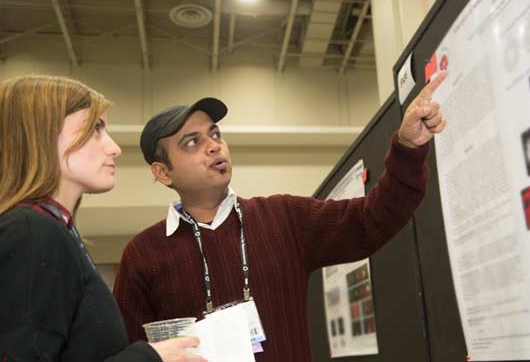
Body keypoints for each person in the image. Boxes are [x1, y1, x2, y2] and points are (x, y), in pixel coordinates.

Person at [114, 71, 448, 361]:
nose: (214, 146)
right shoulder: (143, 256)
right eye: (191, 142)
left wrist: (408, 148)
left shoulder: (283, 218)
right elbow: (130, 353)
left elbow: (373, 219)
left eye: (215, 134)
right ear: (163, 172)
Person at [0, 75, 206, 362]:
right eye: (95, 128)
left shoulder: (53, 233)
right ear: (42, 134)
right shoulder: (33, 232)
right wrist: (149, 358)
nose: (114, 148)